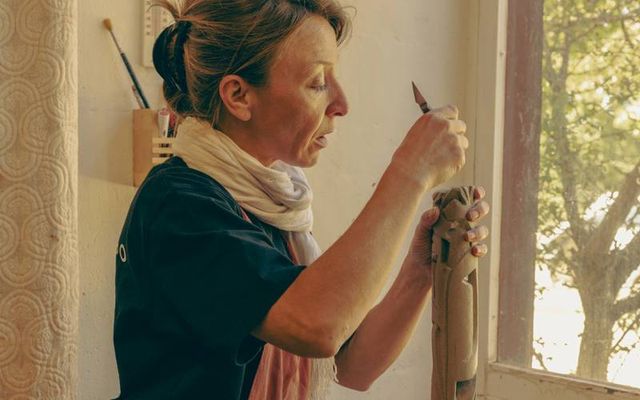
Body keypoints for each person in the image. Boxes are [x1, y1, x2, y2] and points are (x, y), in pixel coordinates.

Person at [113, 0, 490, 399]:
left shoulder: (273, 203)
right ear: (239, 95)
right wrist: (410, 172)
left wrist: (420, 271)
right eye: (317, 83)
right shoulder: (178, 205)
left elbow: (354, 366)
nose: (341, 104)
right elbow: (319, 327)